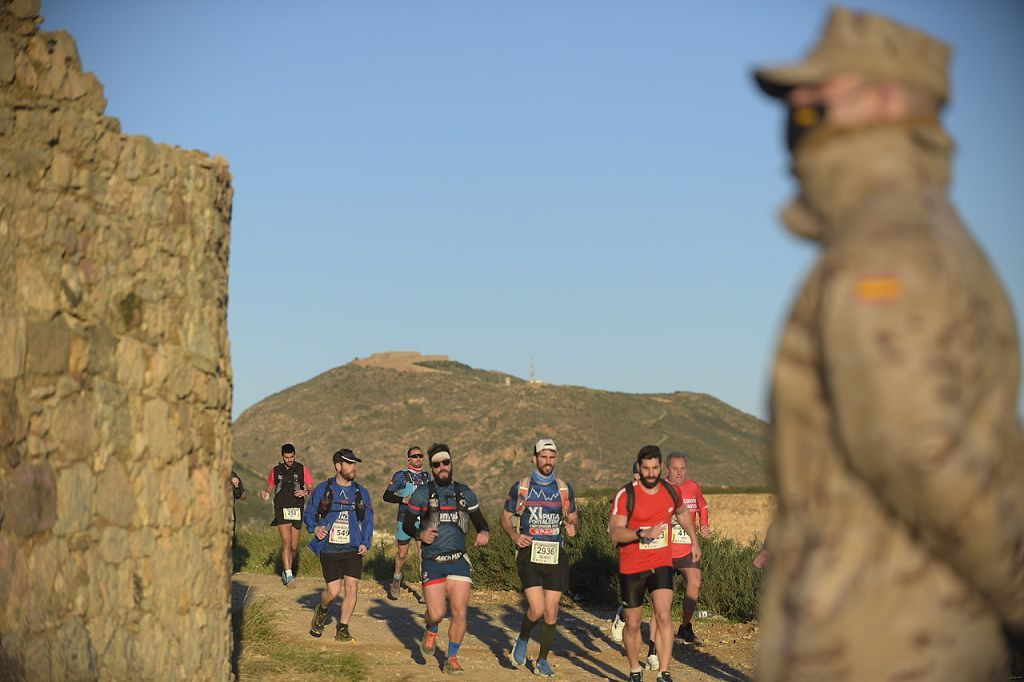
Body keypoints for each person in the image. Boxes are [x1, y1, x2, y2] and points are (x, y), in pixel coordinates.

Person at [753, 8, 1024, 680]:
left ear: (883, 96)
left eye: (818, 94)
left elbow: (918, 450)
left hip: (875, 640)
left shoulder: (886, 247)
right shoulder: (927, 231)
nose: (797, 112)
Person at [609, 445, 701, 682]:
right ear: (638, 469)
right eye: (645, 468)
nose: (650, 473)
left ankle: (664, 671)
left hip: (661, 562)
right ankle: (634, 670)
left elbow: (682, 513)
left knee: (664, 615)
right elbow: (615, 534)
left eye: (655, 468)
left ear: (660, 469)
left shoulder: (669, 492)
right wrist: (642, 533)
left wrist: (694, 541)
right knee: (633, 623)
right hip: (633, 565)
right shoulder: (626, 495)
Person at [403, 443, 491, 674]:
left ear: (451, 464)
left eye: (446, 462)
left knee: (460, 611)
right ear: (431, 468)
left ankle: (451, 658)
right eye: (436, 464)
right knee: (437, 613)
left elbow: (480, 521)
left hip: (459, 560)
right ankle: (431, 628)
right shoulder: (422, 494)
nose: (442, 467)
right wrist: (420, 534)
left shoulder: (464, 492)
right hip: (433, 561)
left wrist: (484, 532)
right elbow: (407, 523)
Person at [500, 438, 580, 677]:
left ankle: (542, 660)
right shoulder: (521, 488)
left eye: (552, 457)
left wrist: (573, 526)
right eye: (543, 457)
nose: (548, 461)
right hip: (530, 554)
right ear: (534, 458)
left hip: (555, 553)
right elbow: (504, 518)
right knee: (536, 609)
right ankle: (523, 639)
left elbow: (574, 517)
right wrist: (515, 536)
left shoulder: (564, 489)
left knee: (552, 611)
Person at [305, 448, 374, 642]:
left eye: (355, 464)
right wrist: (316, 528)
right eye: (350, 464)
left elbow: (369, 519)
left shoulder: (361, 492)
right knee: (333, 592)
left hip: (353, 547)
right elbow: (309, 514)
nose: (354, 467)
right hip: (329, 548)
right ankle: (322, 609)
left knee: (352, 588)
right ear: (338, 466)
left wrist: (365, 542)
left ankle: (342, 628)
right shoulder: (323, 489)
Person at [664, 451, 709, 645]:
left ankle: (685, 627)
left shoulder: (694, 487)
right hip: (663, 550)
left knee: (695, 582)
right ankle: (626, 612)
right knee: (655, 592)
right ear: (667, 470)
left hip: (686, 549)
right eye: (675, 469)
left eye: (682, 469)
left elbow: (703, 506)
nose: (679, 473)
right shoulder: (661, 488)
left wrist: (705, 524)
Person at [258, 443, 314, 586]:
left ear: (295, 455)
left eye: (291, 457)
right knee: (286, 541)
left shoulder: (302, 469)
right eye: (286, 457)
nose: (289, 460)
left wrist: (305, 492)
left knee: (294, 546)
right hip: (281, 507)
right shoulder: (276, 470)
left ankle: (286, 569)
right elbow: (270, 487)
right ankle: (288, 574)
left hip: (297, 508)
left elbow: (311, 488)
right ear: (282, 456)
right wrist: (266, 494)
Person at [382, 445, 432, 600]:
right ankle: (397, 578)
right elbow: (386, 496)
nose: (418, 458)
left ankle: (425, 589)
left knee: (423, 554)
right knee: (402, 554)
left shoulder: (428, 477)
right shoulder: (401, 475)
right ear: (409, 459)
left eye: (420, 455)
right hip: (404, 519)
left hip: (423, 520)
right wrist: (403, 499)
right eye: (414, 456)